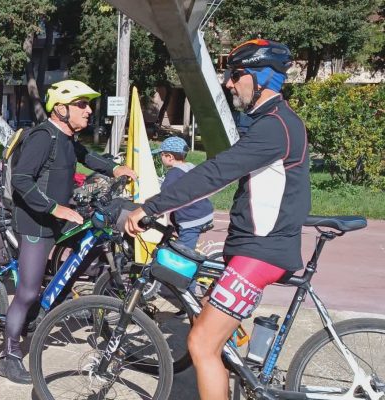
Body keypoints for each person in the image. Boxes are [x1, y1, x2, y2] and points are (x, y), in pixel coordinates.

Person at [125, 39, 309, 399]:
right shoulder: (273, 123)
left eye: (235, 75)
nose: (228, 83)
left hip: (261, 252)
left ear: (261, 78)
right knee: (209, 323)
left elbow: (215, 173)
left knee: (201, 344)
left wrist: (151, 207)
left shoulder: (275, 128)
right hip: (256, 247)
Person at [0, 79, 137, 384]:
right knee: (28, 291)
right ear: (61, 109)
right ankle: (9, 356)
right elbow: (22, 179)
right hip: (36, 221)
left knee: (87, 245)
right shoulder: (43, 137)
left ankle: (42, 310)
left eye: (88, 104)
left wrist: (115, 169)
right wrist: (54, 209)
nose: (88, 110)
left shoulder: (67, 138)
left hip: (53, 219)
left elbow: (86, 157)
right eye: (81, 104)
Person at [152, 136, 214, 250]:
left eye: (162, 155)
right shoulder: (190, 167)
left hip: (192, 220)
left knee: (182, 254)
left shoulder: (174, 174)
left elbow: (165, 196)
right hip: (203, 211)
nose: (161, 157)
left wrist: (153, 210)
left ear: (169, 157)